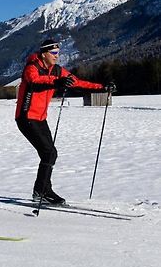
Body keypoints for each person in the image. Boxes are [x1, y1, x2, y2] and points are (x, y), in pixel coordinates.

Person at [15, 39, 115, 205]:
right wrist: (56, 82)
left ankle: (42, 190)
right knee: (49, 153)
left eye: (58, 53)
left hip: (40, 118)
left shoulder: (57, 70)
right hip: (26, 118)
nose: (56, 56)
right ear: (44, 54)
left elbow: (77, 82)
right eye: (53, 53)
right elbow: (35, 83)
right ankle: (42, 191)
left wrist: (102, 87)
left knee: (50, 153)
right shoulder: (32, 67)